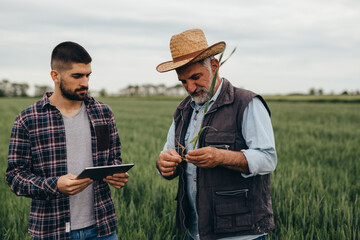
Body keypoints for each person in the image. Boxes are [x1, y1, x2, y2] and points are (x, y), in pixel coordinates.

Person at [156, 29, 277, 240]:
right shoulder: (183, 111)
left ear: (214, 66)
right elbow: (168, 154)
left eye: (195, 78)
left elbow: (268, 159)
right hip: (197, 232)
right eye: (183, 82)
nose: (190, 88)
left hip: (241, 233)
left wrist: (221, 157)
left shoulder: (246, 103)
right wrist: (163, 165)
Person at [6, 41, 129, 240]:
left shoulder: (103, 113)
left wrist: (115, 173)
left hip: (102, 229)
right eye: (77, 76)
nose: (85, 83)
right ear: (55, 76)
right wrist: (55, 185)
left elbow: (113, 158)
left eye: (88, 75)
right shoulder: (28, 119)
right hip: (52, 231)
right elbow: (15, 176)